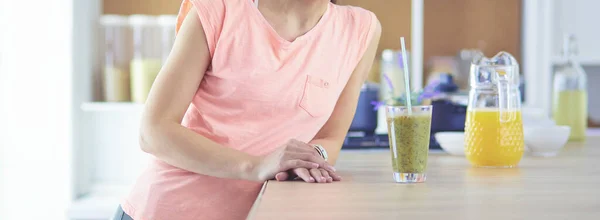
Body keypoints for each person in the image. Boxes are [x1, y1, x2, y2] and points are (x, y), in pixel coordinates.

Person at [114, 0, 381, 219]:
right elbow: (153, 131)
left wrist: (312, 157)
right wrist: (258, 166)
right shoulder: (219, 10)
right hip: (168, 209)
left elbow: (331, 136)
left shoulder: (361, 30)